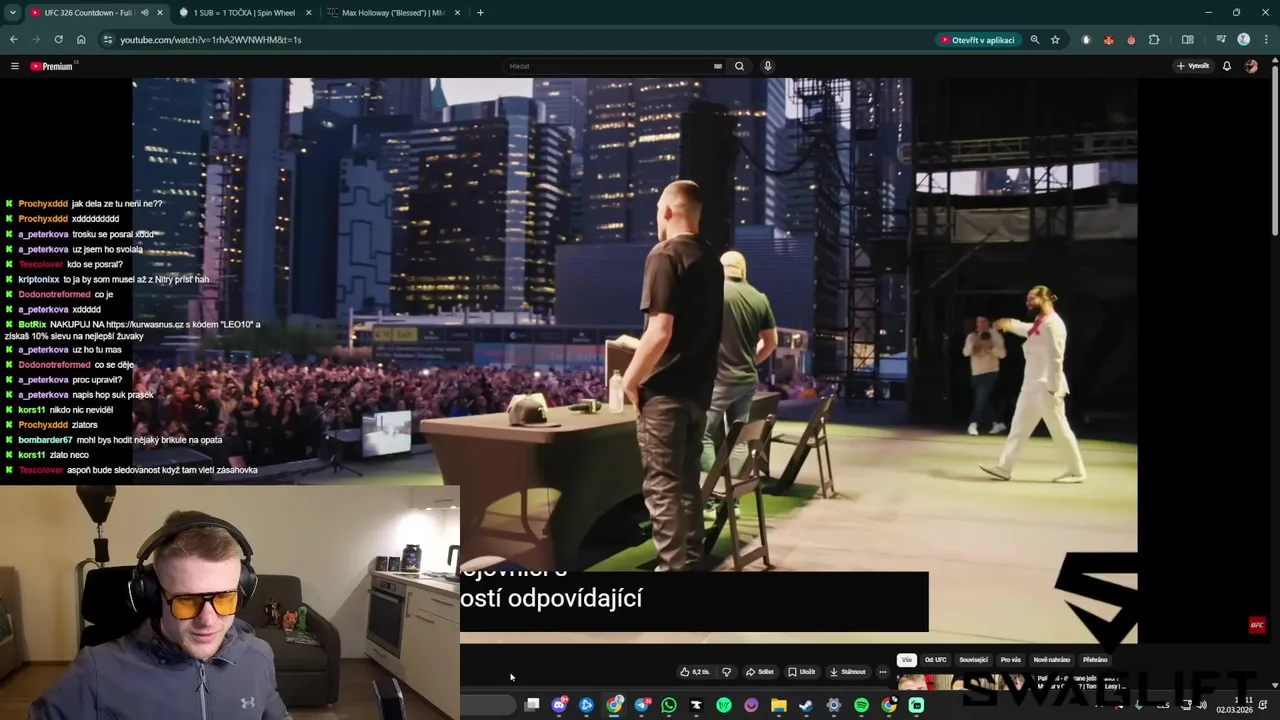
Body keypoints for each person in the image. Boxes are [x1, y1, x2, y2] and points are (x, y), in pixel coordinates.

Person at [31, 511, 291, 719]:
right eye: (187, 601)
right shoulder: (96, 670)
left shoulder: (258, 656)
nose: (208, 621)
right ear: (153, 597)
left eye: (224, 598)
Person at [621, 180, 723, 572]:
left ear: (667, 211)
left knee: (663, 489)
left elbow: (660, 332)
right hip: (699, 392)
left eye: (656, 211)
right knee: (686, 486)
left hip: (665, 395)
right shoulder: (711, 260)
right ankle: (690, 565)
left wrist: (630, 380)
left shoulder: (664, 254)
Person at [980, 285, 1087, 483]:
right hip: (1031, 385)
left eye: (1032, 298)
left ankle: (1077, 471)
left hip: (1047, 387)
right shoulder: (1042, 322)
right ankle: (1004, 468)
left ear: (1045, 299)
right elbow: (1030, 330)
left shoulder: (1053, 325)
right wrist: (1011, 324)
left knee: (1060, 430)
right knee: (1018, 428)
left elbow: (1056, 357)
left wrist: (1053, 386)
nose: (1028, 302)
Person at [701, 250, 778, 519]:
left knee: (702, 436)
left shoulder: (712, 294)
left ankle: (711, 499)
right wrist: (751, 361)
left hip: (718, 380)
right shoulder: (759, 298)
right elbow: (771, 342)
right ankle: (731, 501)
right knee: (738, 438)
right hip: (746, 380)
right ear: (743, 270)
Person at [962, 316, 1008, 436]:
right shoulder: (972, 336)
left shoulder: (995, 335)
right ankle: (998, 423)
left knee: (980, 399)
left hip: (991, 372)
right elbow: (965, 353)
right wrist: (973, 344)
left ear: (988, 322)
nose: (980, 324)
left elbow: (1003, 354)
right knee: (983, 401)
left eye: (983, 321)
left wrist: (991, 346)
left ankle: (973, 423)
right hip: (976, 372)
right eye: (978, 321)